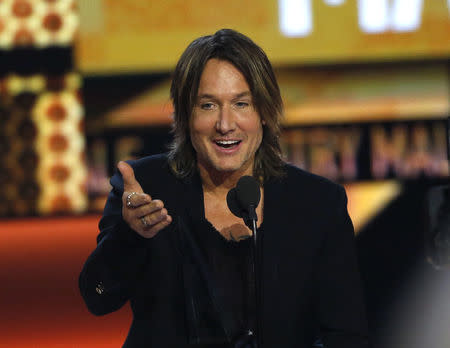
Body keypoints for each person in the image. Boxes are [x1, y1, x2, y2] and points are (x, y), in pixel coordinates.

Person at [79, 29, 369, 348]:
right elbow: (97, 297)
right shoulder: (147, 189)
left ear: (265, 113)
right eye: (208, 106)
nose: (225, 124)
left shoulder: (318, 204)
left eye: (241, 104)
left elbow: (346, 334)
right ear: (185, 114)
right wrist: (129, 237)